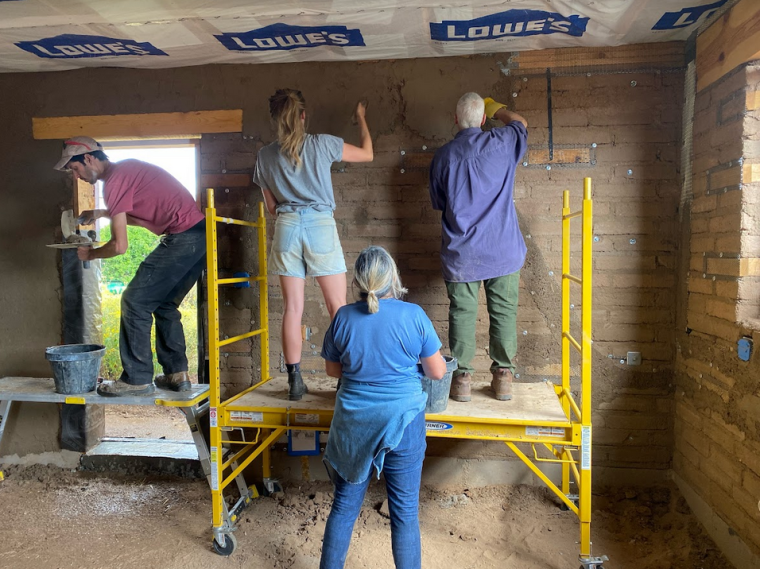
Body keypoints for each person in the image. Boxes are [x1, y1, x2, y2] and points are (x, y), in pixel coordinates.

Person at [320, 246, 446, 569]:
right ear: (393, 278)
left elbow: (333, 371)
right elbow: (437, 372)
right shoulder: (413, 315)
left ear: (358, 283)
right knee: (404, 514)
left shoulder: (343, 318)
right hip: (403, 422)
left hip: (354, 426)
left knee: (343, 508)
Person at [54, 136, 205, 397]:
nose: (76, 176)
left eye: (75, 169)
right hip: (201, 237)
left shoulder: (114, 182)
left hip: (183, 238)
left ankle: (136, 379)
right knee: (165, 304)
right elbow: (143, 217)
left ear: (88, 158)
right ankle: (177, 374)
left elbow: (119, 246)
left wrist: (90, 254)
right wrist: (103, 213)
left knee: (134, 301)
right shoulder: (126, 170)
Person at [253, 88, 373, 401]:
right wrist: (361, 118)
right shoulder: (321, 144)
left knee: (293, 308)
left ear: (275, 119)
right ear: (303, 116)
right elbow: (367, 153)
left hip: (286, 227)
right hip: (320, 225)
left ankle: (295, 382)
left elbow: (270, 207)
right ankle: (345, 378)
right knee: (337, 307)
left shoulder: (264, 156)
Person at [428, 93, 528, 402]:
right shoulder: (503, 141)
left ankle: (462, 380)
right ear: (484, 119)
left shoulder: (443, 157)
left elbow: (440, 203)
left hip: (463, 255)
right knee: (504, 312)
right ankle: (503, 378)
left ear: (455, 119)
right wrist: (497, 109)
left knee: (461, 313)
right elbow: (521, 123)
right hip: (502, 249)